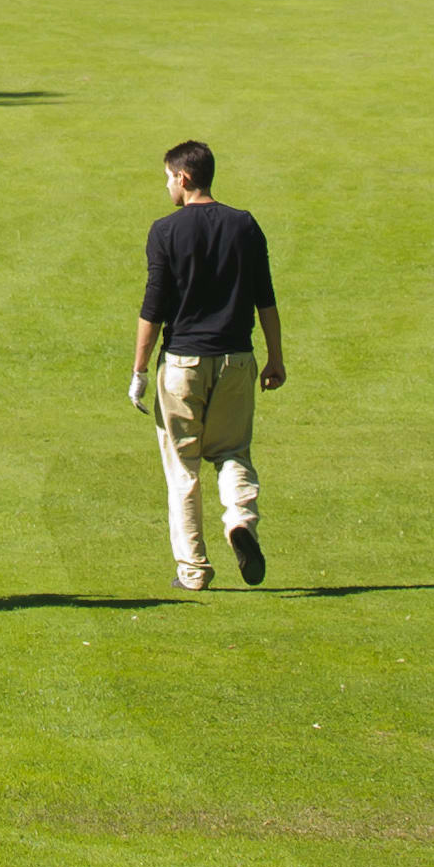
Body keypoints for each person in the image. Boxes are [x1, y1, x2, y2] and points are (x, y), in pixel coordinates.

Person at [131, 138, 282, 591]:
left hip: (183, 363)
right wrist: (275, 358)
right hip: (237, 359)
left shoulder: (165, 231)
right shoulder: (245, 225)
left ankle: (193, 570)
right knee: (234, 452)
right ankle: (240, 521)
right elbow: (266, 300)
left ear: (184, 177)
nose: (167, 186)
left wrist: (139, 371)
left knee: (184, 467)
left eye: (168, 178)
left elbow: (153, 308)